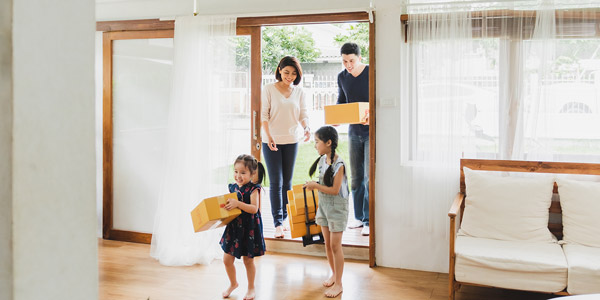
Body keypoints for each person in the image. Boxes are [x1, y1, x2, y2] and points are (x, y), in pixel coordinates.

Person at [261, 56, 311, 238]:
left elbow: (303, 114)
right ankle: (277, 223)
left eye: (293, 73)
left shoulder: (299, 92)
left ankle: (284, 218)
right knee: (276, 182)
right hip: (271, 141)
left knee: (287, 182)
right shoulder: (269, 89)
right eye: (286, 72)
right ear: (279, 70)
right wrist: (269, 136)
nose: (289, 76)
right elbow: (264, 115)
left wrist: (306, 128)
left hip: (291, 140)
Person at [304, 126, 349, 298]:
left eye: (317, 142)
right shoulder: (323, 160)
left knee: (336, 246)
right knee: (328, 245)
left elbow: (335, 190)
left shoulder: (339, 164)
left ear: (328, 143)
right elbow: (323, 183)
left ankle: (339, 283)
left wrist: (315, 186)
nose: (315, 145)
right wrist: (313, 184)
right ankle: (334, 275)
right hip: (323, 207)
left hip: (337, 209)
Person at [220, 154, 267, 300]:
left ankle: (251, 288)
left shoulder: (254, 189)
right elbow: (230, 205)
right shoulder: (233, 187)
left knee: (248, 260)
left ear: (252, 174)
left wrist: (238, 204)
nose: (238, 176)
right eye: (235, 171)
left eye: (243, 173)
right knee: (227, 259)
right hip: (234, 228)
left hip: (249, 229)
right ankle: (233, 283)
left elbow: (254, 208)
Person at [336, 42, 370, 236]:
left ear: (359, 58)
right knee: (356, 178)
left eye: (351, 60)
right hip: (353, 133)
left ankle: (368, 220)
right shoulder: (342, 77)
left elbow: (377, 98)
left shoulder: (370, 72)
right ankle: (357, 217)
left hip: (370, 132)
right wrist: (336, 117)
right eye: (344, 61)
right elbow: (342, 101)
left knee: (367, 177)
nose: (348, 65)